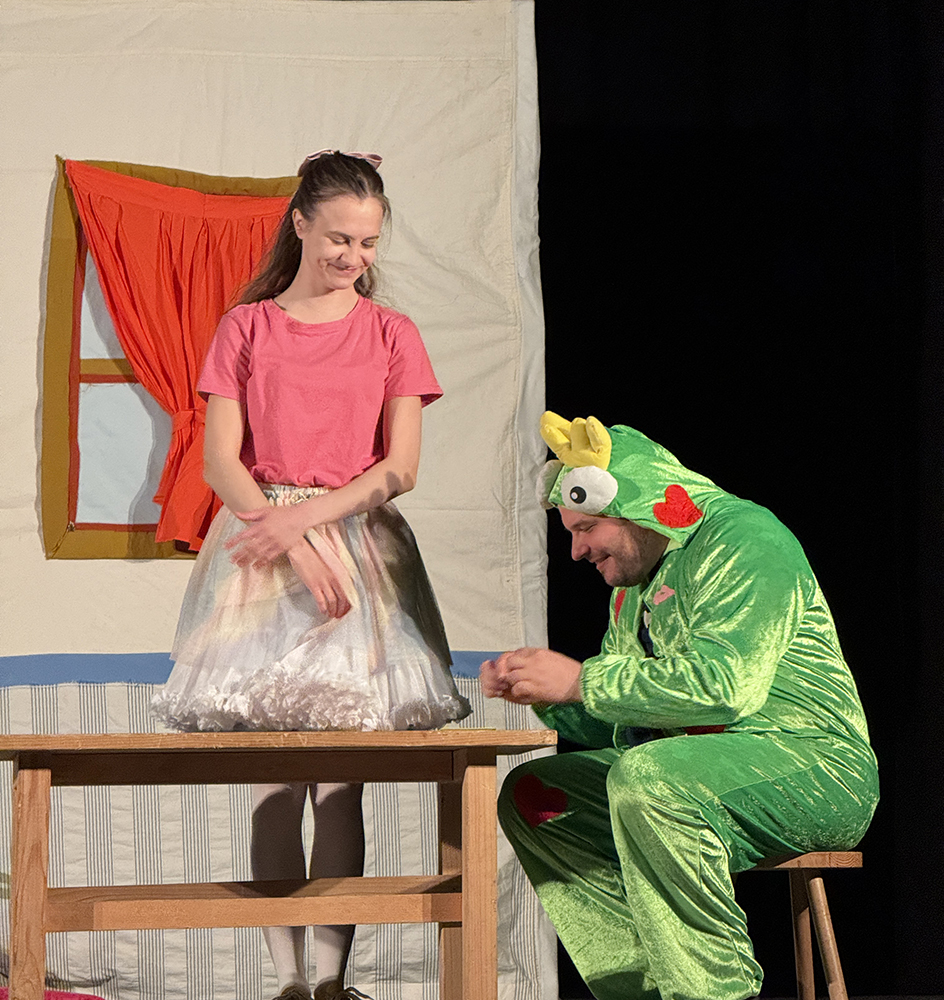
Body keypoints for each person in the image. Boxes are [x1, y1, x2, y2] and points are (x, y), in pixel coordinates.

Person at [152, 150, 470, 1000]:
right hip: (266, 552)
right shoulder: (246, 327)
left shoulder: (392, 333)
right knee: (274, 776)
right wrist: (286, 534)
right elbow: (222, 461)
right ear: (299, 224)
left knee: (341, 780)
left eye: (367, 243)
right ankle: (287, 981)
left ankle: (331, 982)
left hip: (360, 549)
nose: (352, 257)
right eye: (338, 239)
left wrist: (312, 520)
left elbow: (399, 467)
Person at [481, 411, 878, 1000]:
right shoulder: (633, 587)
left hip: (812, 766)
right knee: (537, 795)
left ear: (637, 505)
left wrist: (582, 681)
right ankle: (640, 990)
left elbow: (726, 686)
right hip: (679, 769)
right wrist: (545, 694)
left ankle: (714, 993)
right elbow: (629, 722)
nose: (577, 550)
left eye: (586, 528)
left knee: (649, 780)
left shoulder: (745, 538)